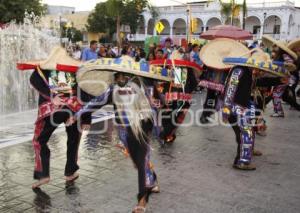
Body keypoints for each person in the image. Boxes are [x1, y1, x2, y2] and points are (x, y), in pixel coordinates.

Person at [67, 57, 164, 212]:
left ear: (130, 75)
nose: (121, 78)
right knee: (137, 161)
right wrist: (77, 114)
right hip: (123, 130)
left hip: (141, 126)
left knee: (141, 161)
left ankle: (142, 201)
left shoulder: (142, 86)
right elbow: (95, 103)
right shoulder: (112, 90)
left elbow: (154, 107)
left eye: (124, 75)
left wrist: (158, 129)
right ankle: (151, 178)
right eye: (118, 75)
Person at [17, 47, 92, 188]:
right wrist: (87, 119)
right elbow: (86, 93)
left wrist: (52, 96)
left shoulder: (43, 69)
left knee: (39, 140)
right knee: (74, 140)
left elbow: (33, 80)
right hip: (73, 110)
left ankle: (43, 174)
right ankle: (70, 172)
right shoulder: (75, 70)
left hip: (52, 110)